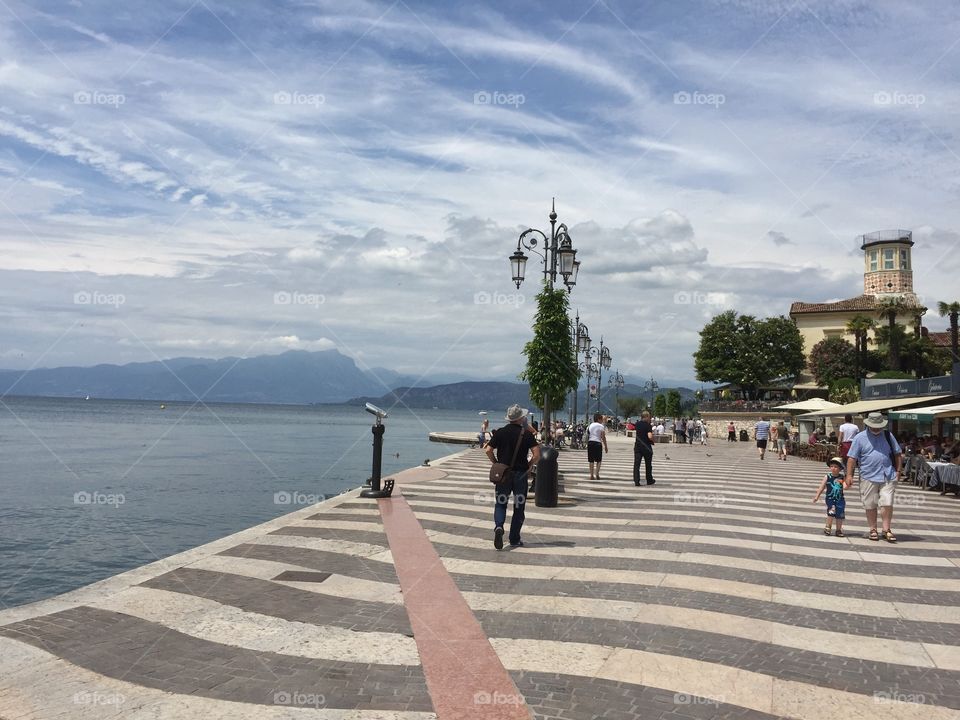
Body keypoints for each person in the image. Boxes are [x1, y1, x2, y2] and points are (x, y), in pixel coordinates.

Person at [485, 404, 540, 550]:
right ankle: (514, 539)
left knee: (501, 503)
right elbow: (537, 455)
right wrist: (529, 465)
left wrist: (496, 463)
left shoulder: (500, 432)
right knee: (519, 506)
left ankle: (499, 527)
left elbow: (488, 450)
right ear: (521, 418)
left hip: (503, 474)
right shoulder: (526, 434)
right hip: (520, 475)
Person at [845, 412, 901, 543]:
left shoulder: (888, 435)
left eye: (879, 427)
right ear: (868, 425)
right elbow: (851, 458)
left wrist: (898, 471)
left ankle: (886, 529)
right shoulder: (859, 437)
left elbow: (898, 453)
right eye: (874, 426)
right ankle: (873, 529)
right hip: (868, 475)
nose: (877, 429)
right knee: (870, 504)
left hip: (888, 474)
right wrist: (849, 475)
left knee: (887, 503)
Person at [813, 457, 846, 537]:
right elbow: (822, 487)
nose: (833, 468)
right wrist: (817, 496)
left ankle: (838, 530)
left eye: (836, 467)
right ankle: (828, 527)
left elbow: (845, 487)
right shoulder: (827, 477)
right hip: (830, 499)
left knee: (840, 515)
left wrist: (848, 483)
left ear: (840, 468)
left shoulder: (842, 477)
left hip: (840, 499)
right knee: (831, 512)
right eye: (832, 466)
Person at [633, 410, 655, 486]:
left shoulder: (637, 424)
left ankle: (636, 480)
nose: (650, 418)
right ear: (646, 417)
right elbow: (650, 436)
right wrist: (653, 439)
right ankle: (649, 480)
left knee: (637, 464)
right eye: (649, 417)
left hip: (638, 447)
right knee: (648, 464)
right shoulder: (648, 425)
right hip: (646, 447)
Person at [586, 413, 608, 480]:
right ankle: (597, 474)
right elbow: (603, 437)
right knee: (598, 460)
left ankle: (591, 475)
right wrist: (606, 446)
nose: (602, 420)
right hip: (597, 443)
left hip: (590, 443)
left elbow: (587, 434)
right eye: (601, 419)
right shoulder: (601, 426)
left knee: (591, 460)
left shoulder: (590, 425)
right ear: (598, 419)